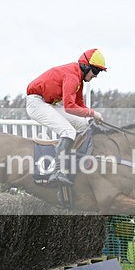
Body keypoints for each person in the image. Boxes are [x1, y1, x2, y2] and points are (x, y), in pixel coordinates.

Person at [25, 49, 106, 186]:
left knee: (83, 125)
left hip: (48, 104)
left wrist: (92, 115)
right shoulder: (73, 77)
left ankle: (75, 160)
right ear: (86, 66)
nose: (96, 76)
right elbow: (69, 107)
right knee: (68, 131)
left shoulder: (78, 78)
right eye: (95, 71)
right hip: (36, 103)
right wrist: (92, 114)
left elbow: (79, 104)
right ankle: (58, 171)